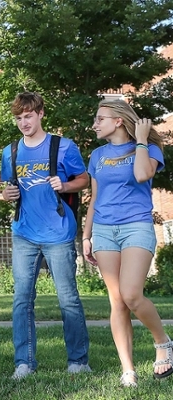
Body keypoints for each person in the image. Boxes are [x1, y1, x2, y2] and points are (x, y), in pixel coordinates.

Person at [1, 92, 91, 380]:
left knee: (68, 299)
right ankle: (24, 363)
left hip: (58, 233)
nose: (23, 122)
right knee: (21, 299)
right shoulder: (11, 151)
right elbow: (8, 188)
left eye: (28, 116)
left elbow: (84, 179)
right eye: (18, 118)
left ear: (40, 114)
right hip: (24, 233)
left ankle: (78, 361)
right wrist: (6, 194)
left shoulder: (63, 147)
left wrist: (64, 186)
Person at [83, 99, 172, 387]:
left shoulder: (148, 149)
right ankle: (128, 370)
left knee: (132, 295)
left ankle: (163, 342)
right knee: (117, 301)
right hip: (105, 230)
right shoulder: (97, 156)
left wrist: (143, 141)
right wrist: (86, 236)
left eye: (100, 118)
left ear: (119, 120)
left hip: (136, 226)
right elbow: (95, 200)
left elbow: (141, 174)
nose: (94, 124)